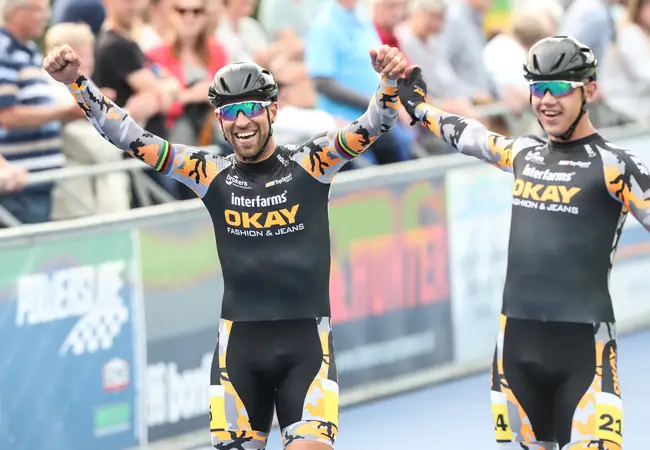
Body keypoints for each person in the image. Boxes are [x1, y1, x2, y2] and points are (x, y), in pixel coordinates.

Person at [44, 43, 406, 449]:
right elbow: (129, 136)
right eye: (230, 113)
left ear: (273, 111)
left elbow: (375, 124)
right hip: (239, 355)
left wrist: (389, 81)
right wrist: (76, 83)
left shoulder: (311, 162)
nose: (242, 121)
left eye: (251, 108)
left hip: (307, 350)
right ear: (219, 120)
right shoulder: (208, 172)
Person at [397, 36, 650, 449]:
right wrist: (418, 106)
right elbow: (470, 135)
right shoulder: (523, 153)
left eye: (560, 88)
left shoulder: (616, 166)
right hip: (515, 348)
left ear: (590, 91)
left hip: (585, 353)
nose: (547, 100)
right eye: (538, 88)